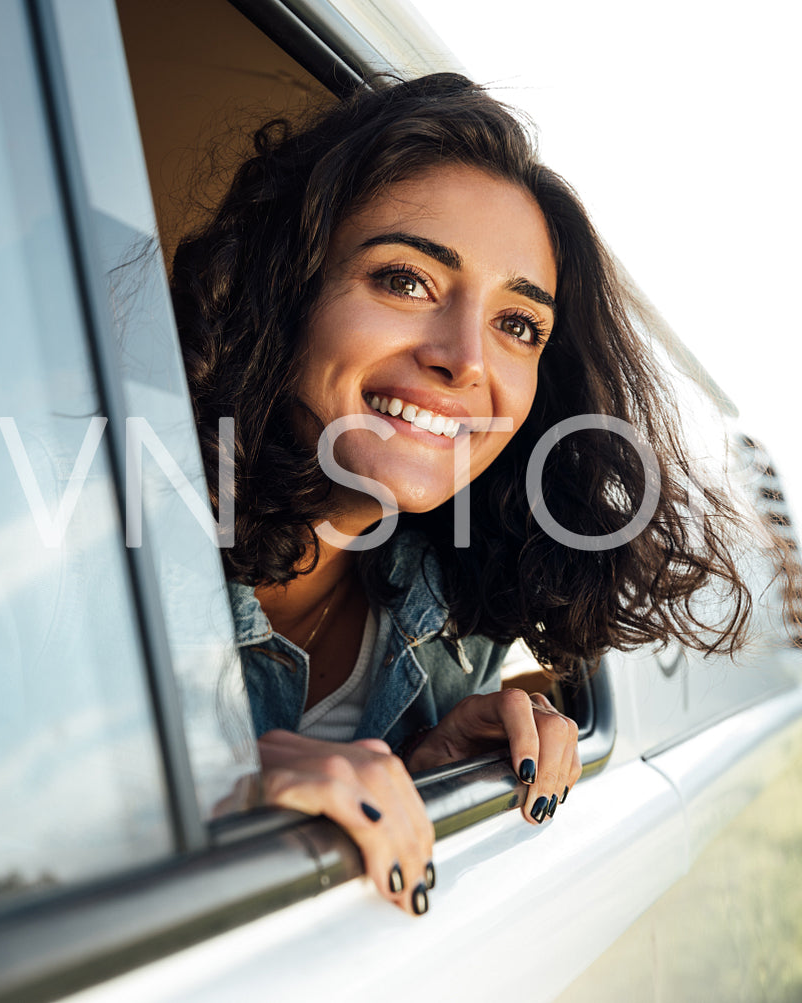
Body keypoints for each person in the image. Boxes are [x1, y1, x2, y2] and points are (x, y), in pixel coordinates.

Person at [169, 73, 768, 917]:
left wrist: (428, 761)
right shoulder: (90, 539)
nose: (465, 359)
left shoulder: (459, 594)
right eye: (405, 280)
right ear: (286, 290)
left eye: (516, 325)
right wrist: (192, 797)